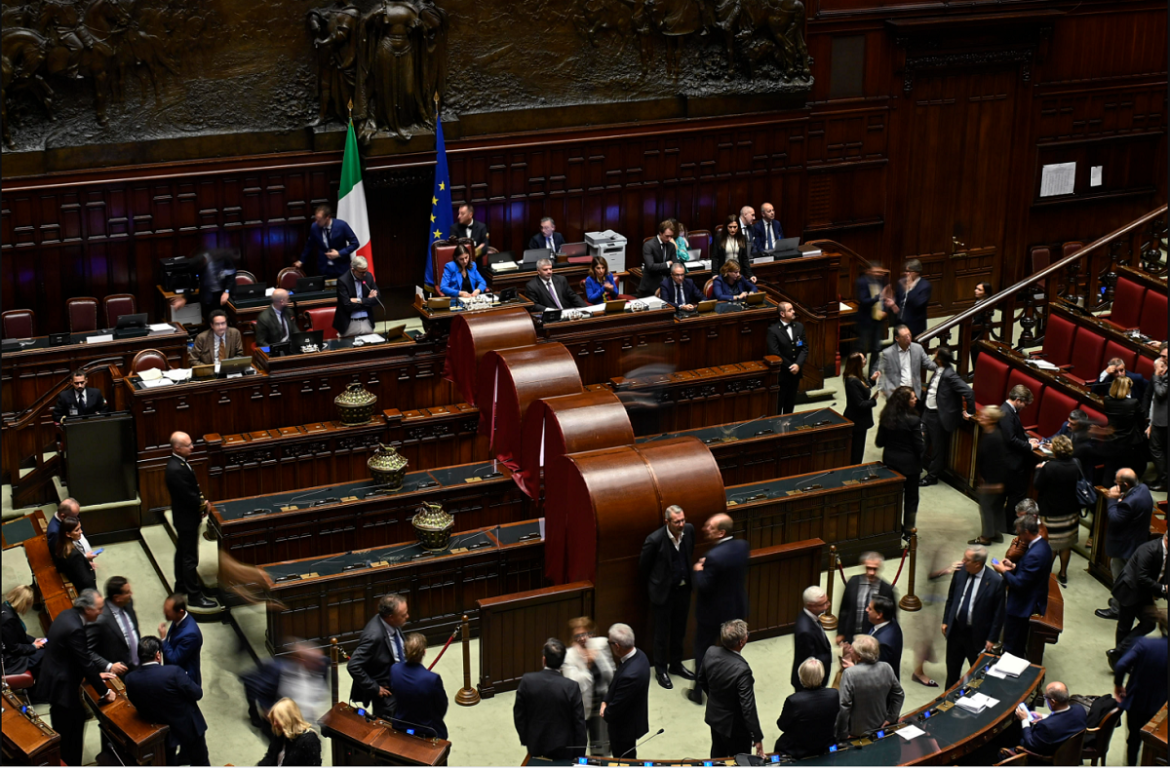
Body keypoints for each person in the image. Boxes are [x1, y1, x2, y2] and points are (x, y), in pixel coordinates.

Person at [36, 589, 116, 766]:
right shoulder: (75, 628)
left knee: (66, 722)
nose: (101, 612)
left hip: (54, 679)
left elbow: (78, 655)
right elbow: (85, 662)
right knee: (72, 728)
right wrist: (104, 692)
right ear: (87, 608)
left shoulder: (67, 615)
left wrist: (96, 673)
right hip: (62, 687)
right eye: (98, 608)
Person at [690, 513, 749, 704]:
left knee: (703, 651)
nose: (705, 529)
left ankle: (698, 691)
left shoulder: (713, 556)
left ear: (721, 533)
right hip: (735, 611)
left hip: (711, 614)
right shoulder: (743, 547)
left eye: (710, 527)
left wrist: (698, 570)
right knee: (731, 652)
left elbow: (705, 586)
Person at [124, 635, 210, 767]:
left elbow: (136, 703)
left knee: (167, 761)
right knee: (200, 761)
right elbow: (197, 693)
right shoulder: (173, 672)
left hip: (159, 732)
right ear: (158, 655)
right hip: (187, 726)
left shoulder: (130, 679)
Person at [638, 505, 695, 690]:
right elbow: (644, 568)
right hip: (663, 595)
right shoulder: (654, 540)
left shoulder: (689, 531)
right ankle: (661, 669)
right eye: (677, 521)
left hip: (683, 591)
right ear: (667, 522)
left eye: (683, 520)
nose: (681, 524)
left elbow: (689, 554)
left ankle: (676, 665)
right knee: (661, 634)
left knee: (679, 630)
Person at [696, 620, 764, 759]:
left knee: (717, 755)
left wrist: (715, 697)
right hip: (735, 728)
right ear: (741, 642)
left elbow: (701, 679)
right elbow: (748, 708)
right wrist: (757, 737)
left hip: (714, 716)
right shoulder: (742, 671)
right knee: (740, 759)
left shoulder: (710, 652)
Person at [941, 545, 1005, 688]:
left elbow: (998, 613)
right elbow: (952, 598)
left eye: (967, 559)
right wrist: (946, 621)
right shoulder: (960, 572)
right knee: (952, 672)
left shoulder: (995, 582)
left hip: (977, 636)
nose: (962, 561)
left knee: (978, 675)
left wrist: (992, 638)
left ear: (977, 563)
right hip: (956, 631)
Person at [1095, 468, 1155, 621]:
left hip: (1124, 547)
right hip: (1136, 543)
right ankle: (1121, 604)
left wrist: (1113, 499)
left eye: (1118, 482)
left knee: (1120, 579)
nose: (1115, 483)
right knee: (1128, 579)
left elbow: (1115, 519)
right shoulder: (1143, 489)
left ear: (1126, 484)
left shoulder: (1129, 503)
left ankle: (1117, 609)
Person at [165, 431, 216, 609]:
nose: (192, 447)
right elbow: (188, 495)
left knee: (182, 554)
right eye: (188, 445)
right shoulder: (176, 469)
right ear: (177, 448)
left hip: (184, 517)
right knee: (190, 558)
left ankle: (180, 587)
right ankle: (195, 596)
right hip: (186, 519)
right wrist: (203, 505)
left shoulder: (179, 463)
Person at [514, 638, 587, 761]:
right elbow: (579, 723)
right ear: (563, 661)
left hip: (535, 743)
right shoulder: (571, 687)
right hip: (564, 747)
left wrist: (526, 739)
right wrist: (580, 755)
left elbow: (519, 715)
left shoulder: (527, 681)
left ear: (544, 660)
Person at [992, 515, 1053, 657]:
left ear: (1027, 532)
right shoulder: (1042, 545)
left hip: (1023, 606)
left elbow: (1019, 584)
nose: (1018, 537)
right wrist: (1013, 567)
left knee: (1012, 646)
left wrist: (1003, 571)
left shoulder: (1035, 554)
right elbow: (1029, 573)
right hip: (1030, 596)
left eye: (1019, 533)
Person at [1113, 612, 1169, 765]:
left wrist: (1118, 685)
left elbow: (1121, 665)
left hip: (1136, 701)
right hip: (1161, 706)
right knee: (1157, 742)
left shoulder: (1144, 644)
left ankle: (1131, 764)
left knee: (1134, 739)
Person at [241, 640, 329, 733]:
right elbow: (250, 682)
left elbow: (320, 692)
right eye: (315, 661)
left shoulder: (322, 667)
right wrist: (266, 709)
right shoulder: (277, 670)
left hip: (307, 723)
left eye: (320, 659)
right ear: (302, 660)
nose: (320, 663)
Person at [1108, 531, 1168, 665]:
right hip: (1130, 589)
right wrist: (1163, 589)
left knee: (1149, 623)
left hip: (1145, 592)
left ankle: (1118, 652)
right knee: (1125, 626)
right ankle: (1120, 659)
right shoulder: (1148, 550)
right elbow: (1142, 578)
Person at [919, 347, 975, 486]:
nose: (933, 354)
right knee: (920, 443)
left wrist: (970, 412)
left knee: (938, 449)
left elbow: (968, 392)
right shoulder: (939, 369)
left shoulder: (950, 375)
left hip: (938, 417)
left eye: (936, 354)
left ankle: (932, 477)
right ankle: (914, 470)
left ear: (940, 359)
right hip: (927, 412)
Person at [348, 593, 409, 718]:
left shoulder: (391, 623)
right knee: (387, 729)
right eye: (403, 615)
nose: (407, 617)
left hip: (401, 682)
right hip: (388, 693)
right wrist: (375, 688)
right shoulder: (373, 637)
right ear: (390, 616)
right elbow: (353, 665)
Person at [561, 617, 616, 756]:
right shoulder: (568, 657)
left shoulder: (601, 644)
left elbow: (611, 672)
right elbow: (573, 684)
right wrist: (588, 665)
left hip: (601, 706)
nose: (583, 638)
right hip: (581, 708)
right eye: (578, 635)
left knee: (601, 747)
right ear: (572, 637)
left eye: (586, 633)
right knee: (577, 746)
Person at [1033, 436, 1082, 585]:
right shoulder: (1076, 464)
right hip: (1071, 511)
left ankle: (1047, 573)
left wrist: (1038, 470)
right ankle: (1063, 573)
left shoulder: (1049, 467)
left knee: (1051, 546)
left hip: (1051, 511)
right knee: (1066, 545)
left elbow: (1037, 485)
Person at [876, 386, 925, 537]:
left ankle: (893, 527)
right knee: (911, 499)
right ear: (905, 402)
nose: (916, 399)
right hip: (909, 466)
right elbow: (919, 447)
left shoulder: (886, 417)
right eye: (912, 397)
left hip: (891, 463)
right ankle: (909, 531)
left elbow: (879, 442)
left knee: (894, 498)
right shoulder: (914, 421)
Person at [835, 634, 904, 740]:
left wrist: (842, 734)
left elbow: (844, 706)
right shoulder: (886, 668)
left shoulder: (849, 673)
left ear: (859, 657)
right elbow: (899, 695)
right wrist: (891, 717)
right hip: (880, 726)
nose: (850, 651)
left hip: (857, 732)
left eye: (853, 650)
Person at [601, 623, 650, 760]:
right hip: (630, 718)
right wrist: (606, 699)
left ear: (617, 646)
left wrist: (605, 711)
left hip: (624, 729)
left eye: (609, 642)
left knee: (623, 759)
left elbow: (616, 708)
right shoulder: (639, 655)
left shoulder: (630, 676)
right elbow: (617, 680)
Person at [773, 658, 838, 758]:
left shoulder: (794, 700)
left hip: (797, 750)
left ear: (801, 676)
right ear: (822, 675)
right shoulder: (833, 694)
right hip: (825, 745)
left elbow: (782, 725)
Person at [388, 633, 448, 739]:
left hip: (400, 725)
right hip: (426, 730)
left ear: (404, 651)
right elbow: (442, 705)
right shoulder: (432, 679)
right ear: (424, 652)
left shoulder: (394, 669)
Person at [1000, 384, 1040, 535]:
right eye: (1025, 404)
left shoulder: (1009, 411)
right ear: (1018, 400)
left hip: (1010, 461)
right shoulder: (1007, 413)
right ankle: (1009, 525)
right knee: (1015, 495)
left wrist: (1027, 441)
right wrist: (1028, 446)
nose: (1025, 407)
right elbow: (1010, 439)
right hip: (1011, 464)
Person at [1010, 682, 1087, 758]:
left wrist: (1024, 720)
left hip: (1045, 758)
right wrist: (1043, 716)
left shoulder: (1046, 726)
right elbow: (1063, 719)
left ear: (1053, 702)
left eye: (1046, 697)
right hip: (1070, 753)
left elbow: (1030, 743)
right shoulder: (1080, 709)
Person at [836, 552, 896, 648]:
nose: (871, 572)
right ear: (863, 565)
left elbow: (892, 617)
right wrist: (840, 632)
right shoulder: (853, 582)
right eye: (868, 568)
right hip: (851, 634)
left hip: (873, 639)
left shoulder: (886, 590)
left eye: (874, 569)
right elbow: (844, 608)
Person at [89, 576, 138, 675]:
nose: (131, 594)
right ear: (117, 597)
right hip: (120, 673)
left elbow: (133, 630)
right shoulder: (99, 619)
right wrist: (108, 666)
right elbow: (85, 650)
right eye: (127, 592)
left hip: (138, 664)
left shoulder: (128, 603)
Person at [766, 301, 808, 415]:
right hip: (783, 374)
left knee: (790, 404)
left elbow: (804, 348)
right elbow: (775, 353)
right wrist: (790, 366)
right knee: (779, 404)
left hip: (796, 373)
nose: (794, 312)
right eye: (790, 310)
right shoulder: (773, 330)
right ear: (782, 314)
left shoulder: (799, 327)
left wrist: (798, 364)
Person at [973, 406, 1008, 545]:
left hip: (994, 480)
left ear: (992, 420)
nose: (981, 417)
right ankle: (995, 533)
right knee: (993, 506)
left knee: (986, 505)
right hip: (990, 478)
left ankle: (986, 537)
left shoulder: (994, 437)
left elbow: (999, 463)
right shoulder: (989, 433)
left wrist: (994, 483)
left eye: (985, 416)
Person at [297, 204, 359, 278]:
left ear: (327, 217)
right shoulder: (315, 227)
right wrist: (301, 261)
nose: (316, 222)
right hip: (324, 268)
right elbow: (309, 245)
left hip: (341, 267)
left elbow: (355, 243)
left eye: (319, 220)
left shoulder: (342, 226)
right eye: (316, 219)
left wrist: (339, 253)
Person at [1102, 376, 1145, 481]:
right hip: (1128, 443)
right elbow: (1141, 419)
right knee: (1137, 467)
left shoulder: (1107, 400)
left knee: (1110, 469)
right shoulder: (1132, 403)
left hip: (1111, 441)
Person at [258, 698, 322, 766]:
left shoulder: (309, 741)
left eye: (277, 720)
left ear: (287, 720)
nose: (274, 724)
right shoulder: (280, 733)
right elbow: (270, 757)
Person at [843, 352, 881, 465]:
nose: (865, 361)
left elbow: (864, 387)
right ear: (857, 363)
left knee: (859, 449)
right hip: (856, 420)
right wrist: (873, 401)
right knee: (856, 451)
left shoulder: (858, 376)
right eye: (863, 359)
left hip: (861, 420)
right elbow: (860, 404)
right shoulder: (851, 381)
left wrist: (872, 380)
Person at [877, 325, 937, 397]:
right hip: (897, 392)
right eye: (905, 337)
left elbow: (928, 364)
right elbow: (881, 373)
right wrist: (887, 391)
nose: (908, 338)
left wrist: (940, 363)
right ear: (897, 338)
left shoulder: (918, 348)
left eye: (909, 335)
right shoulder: (887, 353)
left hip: (914, 391)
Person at [792, 586, 832, 692]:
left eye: (827, 601)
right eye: (823, 604)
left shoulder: (809, 616)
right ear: (811, 606)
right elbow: (809, 662)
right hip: (809, 684)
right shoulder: (805, 631)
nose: (828, 605)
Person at [1, 585, 46, 676]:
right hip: (9, 660)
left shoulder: (5, 607)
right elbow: (14, 648)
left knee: (44, 647)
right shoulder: (9, 619)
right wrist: (33, 646)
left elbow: (16, 635)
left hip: (9, 651)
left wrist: (33, 640)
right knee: (44, 654)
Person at [160, 593, 203, 686]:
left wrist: (163, 639)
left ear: (180, 612)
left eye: (168, 611)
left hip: (184, 680)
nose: (164, 613)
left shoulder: (191, 635)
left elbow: (174, 659)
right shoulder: (178, 619)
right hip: (173, 673)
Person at [854, 262, 888, 373]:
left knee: (876, 348)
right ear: (869, 271)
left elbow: (886, 298)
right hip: (865, 320)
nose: (879, 274)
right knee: (862, 348)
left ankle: (872, 375)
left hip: (878, 320)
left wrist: (885, 311)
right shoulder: (862, 282)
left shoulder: (882, 281)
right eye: (876, 272)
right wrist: (878, 297)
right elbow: (863, 301)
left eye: (880, 272)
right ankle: (858, 373)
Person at [333, 255, 379, 337]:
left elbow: (377, 299)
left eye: (366, 271)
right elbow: (347, 305)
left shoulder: (368, 277)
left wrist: (359, 300)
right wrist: (368, 301)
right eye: (362, 272)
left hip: (366, 321)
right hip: (349, 323)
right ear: (353, 270)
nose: (364, 274)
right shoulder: (343, 281)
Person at [886, 259, 931, 339]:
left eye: (909, 271)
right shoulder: (902, 282)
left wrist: (910, 289)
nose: (906, 273)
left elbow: (918, 304)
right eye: (906, 271)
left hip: (915, 324)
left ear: (917, 272)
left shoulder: (925, 286)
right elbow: (898, 298)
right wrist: (893, 304)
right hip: (899, 321)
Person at [52, 516, 96, 593]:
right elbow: (86, 581)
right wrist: (90, 570)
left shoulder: (60, 545)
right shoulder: (75, 555)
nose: (81, 532)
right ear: (68, 534)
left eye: (80, 528)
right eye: (77, 530)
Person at [866, 595, 903, 680]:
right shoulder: (891, 622)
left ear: (879, 615)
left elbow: (876, 672)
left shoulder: (882, 644)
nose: (866, 610)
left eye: (870, 609)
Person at [638, 220, 676, 297]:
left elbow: (675, 264)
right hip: (650, 286)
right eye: (667, 236)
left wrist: (662, 266)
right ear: (660, 233)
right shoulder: (649, 245)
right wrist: (667, 264)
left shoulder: (671, 246)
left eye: (671, 236)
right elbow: (651, 266)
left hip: (667, 285)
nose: (669, 239)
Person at [1147, 353, 1168, 491]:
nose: (1162, 359)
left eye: (1164, 356)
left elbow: (1160, 393)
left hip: (1163, 420)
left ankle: (1164, 480)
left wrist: (1156, 375)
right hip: (1161, 418)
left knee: (1156, 449)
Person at [712, 215, 755, 282]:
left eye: (735, 227)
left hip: (738, 273)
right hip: (724, 273)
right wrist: (714, 274)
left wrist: (750, 275)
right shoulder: (719, 238)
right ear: (726, 227)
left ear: (738, 227)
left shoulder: (742, 238)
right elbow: (715, 257)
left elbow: (744, 258)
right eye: (730, 227)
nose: (732, 229)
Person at [969, 282, 995, 368]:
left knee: (977, 353)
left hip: (979, 333)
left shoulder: (986, 305)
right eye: (976, 288)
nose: (975, 291)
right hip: (974, 332)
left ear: (986, 293)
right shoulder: (979, 301)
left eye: (979, 290)